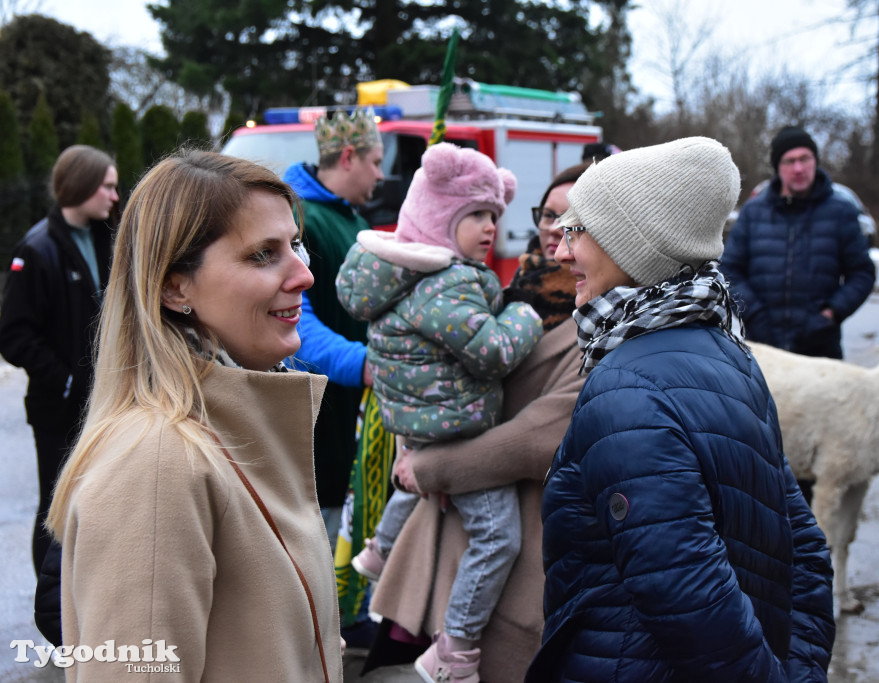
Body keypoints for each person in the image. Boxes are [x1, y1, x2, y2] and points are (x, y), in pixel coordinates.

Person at [524, 137, 836, 682]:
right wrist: (800, 669)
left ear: (634, 244)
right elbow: (806, 551)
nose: (560, 250)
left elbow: (690, 596)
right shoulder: (732, 356)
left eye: (579, 230)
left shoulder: (626, 388)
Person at [45, 150, 344, 681]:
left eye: (295, 245)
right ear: (174, 286)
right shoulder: (157, 463)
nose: (304, 274)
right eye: (262, 255)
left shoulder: (235, 427)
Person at [361, 162, 588, 683]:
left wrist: (433, 465)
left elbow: (542, 436)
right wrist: (412, 438)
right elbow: (442, 375)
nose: (555, 227)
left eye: (573, 217)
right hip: (445, 528)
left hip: (519, 545)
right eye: (548, 214)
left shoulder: (597, 319)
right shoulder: (509, 289)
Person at [0, 145, 118, 578]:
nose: (114, 195)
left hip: (108, 404)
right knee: (57, 507)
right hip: (60, 411)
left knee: (104, 505)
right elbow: (13, 336)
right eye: (107, 186)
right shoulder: (37, 249)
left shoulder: (110, 239)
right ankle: (54, 618)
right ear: (82, 185)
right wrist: (67, 380)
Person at [282, 109, 382, 547]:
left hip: (350, 412)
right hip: (316, 418)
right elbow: (293, 318)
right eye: (376, 162)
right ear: (348, 157)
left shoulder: (354, 219)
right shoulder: (301, 219)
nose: (381, 174)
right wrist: (363, 363)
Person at [720, 125, 875, 359]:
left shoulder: (841, 213)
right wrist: (754, 315)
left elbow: (862, 274)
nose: (799, 168)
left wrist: (831, 314)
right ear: (777, 167)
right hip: (760, 347)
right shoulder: (754, 213)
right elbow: (730, 270)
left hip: (820, 350)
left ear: (816, 160)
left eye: (805, 158)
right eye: (789, 161)